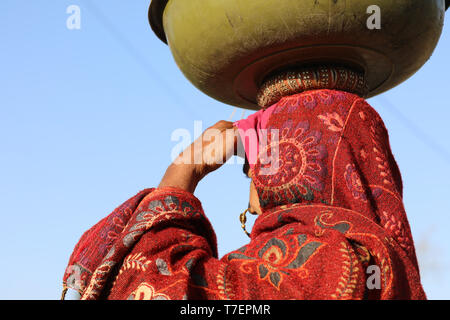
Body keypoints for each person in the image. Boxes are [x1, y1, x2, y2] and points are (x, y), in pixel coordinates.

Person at [62, 66, 425, 300]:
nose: (253, 182)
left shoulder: (321, 261)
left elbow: (147, 290)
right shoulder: (388, 270)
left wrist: (183, 172)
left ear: (292, 167)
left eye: (253, 166)